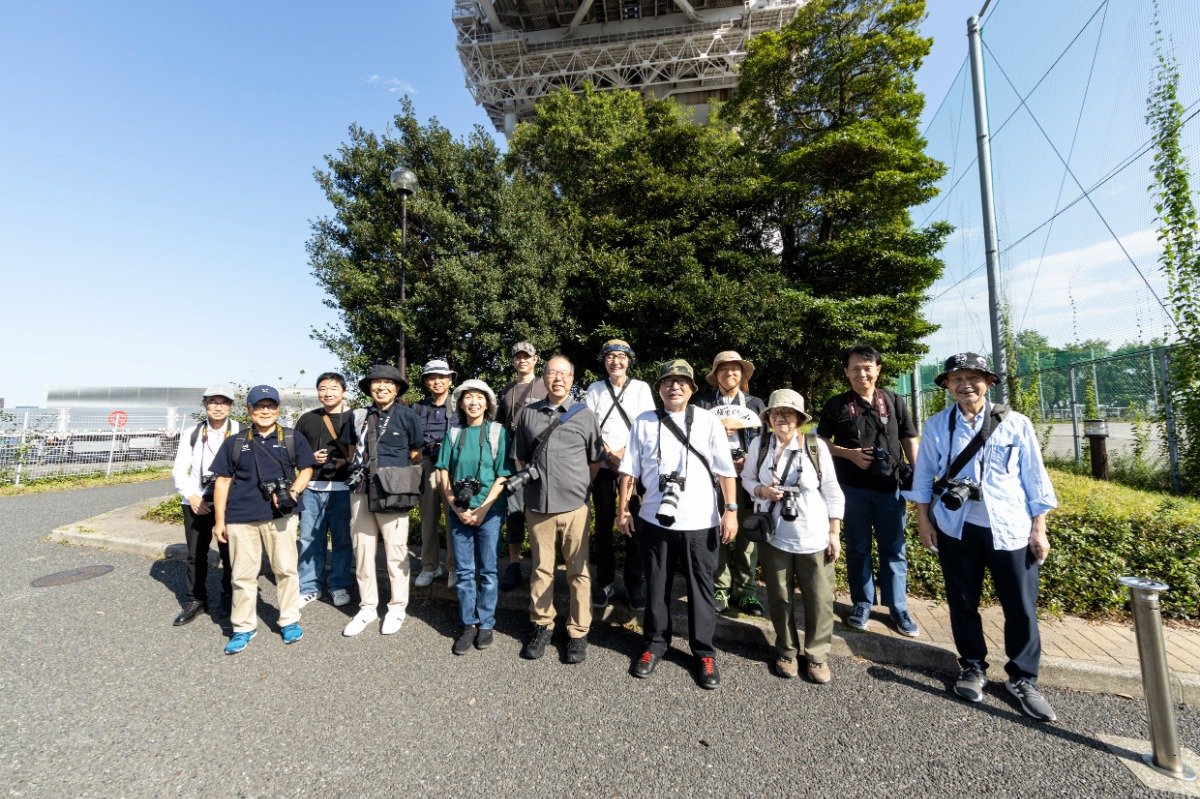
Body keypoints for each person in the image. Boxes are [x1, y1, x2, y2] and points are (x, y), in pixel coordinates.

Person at [905, 352, 1059, 722]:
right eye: (956, 379)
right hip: (956, 527)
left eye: (973, 378)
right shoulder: (938, 425)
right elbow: (923, 475)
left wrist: (1039, 528)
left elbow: (1034, 477)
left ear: (988, 382)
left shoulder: (1016, 424)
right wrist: (924, 520)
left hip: (1011, 528)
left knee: (1020, 606)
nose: (965, 385)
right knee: (962, 601)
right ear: (947, 385)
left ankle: (1022, 678)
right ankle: (972, 666)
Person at [619, 359, 738, 689]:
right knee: (657, 585)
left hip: (700, 521)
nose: (675, 386)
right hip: (653, 520)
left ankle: (704, 652)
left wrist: (730, 510)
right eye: (668, 381)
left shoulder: (708, 421)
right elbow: (629, 470)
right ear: (659, 388)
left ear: (692, 389)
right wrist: (623, 510)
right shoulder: (644, 421)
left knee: (701, 588)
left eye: (682, 381)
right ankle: (655, 643)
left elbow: (726, 470)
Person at [816, 344, 920, 636]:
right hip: (852, 490)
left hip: (890, 488)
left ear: (878, 370)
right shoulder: (836, 404)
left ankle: (898, 607)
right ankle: (862, 603)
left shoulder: (894, 401)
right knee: (858, 548)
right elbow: (819, 442)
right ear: (846, 372)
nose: (862, 373)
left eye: (867, 367)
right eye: (855, 368)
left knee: (894, 549)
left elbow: (909, 439)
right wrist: (848, 454)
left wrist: (919, 481)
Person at [742, 390, 843, 683]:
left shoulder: (815, 446)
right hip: (774, 535)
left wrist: (834, 532)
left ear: (799, 418)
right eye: (775, 413)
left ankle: (817, 655)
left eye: (787, 413)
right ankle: (786, 650)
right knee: (779, 597)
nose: (780, 418)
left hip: (813, 534)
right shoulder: (760, 445)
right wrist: (761, 490)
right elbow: (747, 478)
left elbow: (832, 489)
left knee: (819, 599)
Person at [512, 355, 605, 664]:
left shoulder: (585, 416)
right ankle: (542, 625)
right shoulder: (528, 414)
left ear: (572, 379)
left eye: (564, 374)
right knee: (541, 569)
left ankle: (578, 631)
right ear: (544, 378)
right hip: (538, 505)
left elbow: (595, 461)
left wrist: (579, 488)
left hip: (575, 507)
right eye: (552, 373)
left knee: (578, 571)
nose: (558, 379)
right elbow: (520, 457)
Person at [211, 385, 316, 655]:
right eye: (259, 406)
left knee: (286, 570)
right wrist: (219, 521)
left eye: (270, 406)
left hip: (280, 515)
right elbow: (222, 481)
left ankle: (289, 620)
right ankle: (243, 626)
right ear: (249, 410)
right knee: (242, 575)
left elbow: (306, 469)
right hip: (241, 516)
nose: (265, 411)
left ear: (278, 410)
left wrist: (293, 492)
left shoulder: (291, 437)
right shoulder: (235, 442)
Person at [338, 364, 424, 638]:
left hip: (393, 491)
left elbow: (416, 452)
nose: (382, 387)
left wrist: (396, 476)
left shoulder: (408, 416)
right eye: (377, 383)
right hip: (361, 490)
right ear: (369, 388)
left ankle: (397, 607)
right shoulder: (358, 416)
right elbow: (350, 450)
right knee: (362, 551)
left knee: (396, 552)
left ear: (397, 389)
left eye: (388, 383)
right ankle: (367, 607)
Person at [436, 379, 510, 655]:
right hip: (459, 510)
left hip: (489, 512)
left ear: (488, 403)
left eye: (479, 397)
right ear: (460, 402)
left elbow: (503, 475)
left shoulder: (497, 432)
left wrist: (482, 509)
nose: (474, 402)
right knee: (465, 571)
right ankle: (469, 623)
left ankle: (487, 624)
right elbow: (443, 471)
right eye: (468, 397)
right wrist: (456, 507)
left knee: (488, 570)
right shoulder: (454, 433)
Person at [692, 350, 766, 617]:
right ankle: (720, 587)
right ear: (716, 375)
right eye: (723, 369)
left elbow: (765, 442)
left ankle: (746, 591)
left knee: (747, 535)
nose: (729, 373)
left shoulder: (755, 405)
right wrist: (716, 432)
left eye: (735, 369)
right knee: (717, 532)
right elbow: (692, 440)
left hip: (747, 478)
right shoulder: (703, 404)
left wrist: (749, 459)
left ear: (742, 374)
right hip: (713, 478)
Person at [584, 339, 655, 610]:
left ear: (629, 361)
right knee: (602, 525)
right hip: (602, 465)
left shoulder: (641, 388)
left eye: (621, 357)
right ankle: (604, 581)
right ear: (604, 361)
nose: (616, 361)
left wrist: (623, 456)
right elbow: (589, 426)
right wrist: (610, 455)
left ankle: (634, 582)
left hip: (633, 467)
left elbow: (647, 424)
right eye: (610, 357)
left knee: (634, 523)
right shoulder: (594, 389)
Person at [170, 385, 240, 625]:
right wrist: (191, 496)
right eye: (213, 402)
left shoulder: (241, 431)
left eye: (224, 402)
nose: (218, 407)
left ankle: (229, 596)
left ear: (231, 406)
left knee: (230, 553)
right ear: (205, 404)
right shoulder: (192, 433)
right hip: (197, 499)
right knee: (196, 553)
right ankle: (195, 600)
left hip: (230, 501)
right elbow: (179, 469)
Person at [294, 372, 354, 610]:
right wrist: (311, 458)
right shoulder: (307, 419)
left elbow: (363, 453)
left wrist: (344, 461)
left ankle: (338, 585)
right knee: (309, 539)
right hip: (311, 487)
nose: (328, 393)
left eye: (333, 388)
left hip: (343, 489)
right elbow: (294, 452)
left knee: (342, 540)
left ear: (343, 391)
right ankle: (309, 587)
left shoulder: (354, 418)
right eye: (322, 388)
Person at [496, 341, 548, 591]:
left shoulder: (546, 385)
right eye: (518, 357)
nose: (522, 360)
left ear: (535, 359)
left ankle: (541, 566)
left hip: (540, 461)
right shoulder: (507, 390)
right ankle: (514, 564)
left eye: (527, 356)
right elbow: (499, 426)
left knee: (539, 514)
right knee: (514, 514)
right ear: (513, 361)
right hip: (513, 461)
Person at [414, 359, 459, 588]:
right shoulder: (417, 408)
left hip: (453, 466)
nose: (437, 381)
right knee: (428, 518)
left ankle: (454, 567)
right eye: (432, 377)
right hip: (427, 465)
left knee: (454, 517)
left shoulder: (460, 406)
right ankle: (430, 566)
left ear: (450, 380)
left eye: (442, 377)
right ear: (426, 382)